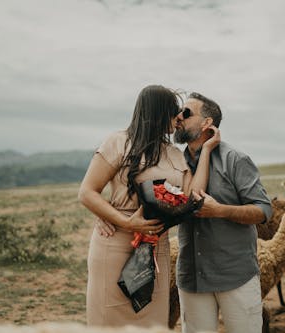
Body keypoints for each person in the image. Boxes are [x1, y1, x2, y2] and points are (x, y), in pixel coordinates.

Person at [78, 85, 220, 327]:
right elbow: (87, 193)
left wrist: (206, 151)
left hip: (157, 248)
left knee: (153, 323)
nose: (178, 118)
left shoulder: (174, 154)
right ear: (157, 112)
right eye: (174, 111)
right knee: (109, 320)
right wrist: (125, 221)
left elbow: (193, 195)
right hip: (115, 243)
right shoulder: (118, 142)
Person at [173, 92, 272, 333]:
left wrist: (220, 211)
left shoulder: (235, 160)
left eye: (186, 113)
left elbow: (263, 210)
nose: (179, 118)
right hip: (192, 275)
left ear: (207, 123)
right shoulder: (174, 162)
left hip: (235, 275)